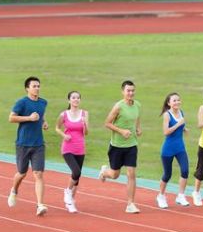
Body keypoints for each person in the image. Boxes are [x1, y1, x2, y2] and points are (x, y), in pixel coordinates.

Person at [7, 76, 49, 216]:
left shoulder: (43, 102)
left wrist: (43, 122)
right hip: (23, 144)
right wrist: (29, 118)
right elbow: (11, 118)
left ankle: (40, 205)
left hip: (38, 144)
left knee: (38, 174)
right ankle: (14, 190)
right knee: (22, 173)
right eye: (34, 86)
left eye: (38, 86)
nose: (37, 88)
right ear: (27, 88)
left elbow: (41, 115)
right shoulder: (22, 103)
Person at [99, 80, 142, 214]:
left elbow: (137, 119)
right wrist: (121, 131)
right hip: (117, 146)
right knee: (115, 174)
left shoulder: (137, 105)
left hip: (132, 145)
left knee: (131, 173)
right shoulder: (118, 107)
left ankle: (130, 204)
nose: (131, 93)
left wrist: (138, 128)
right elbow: (107, 123)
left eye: (132, 90)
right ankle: (104, 172)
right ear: (123, 92)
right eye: (128, 91)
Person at [55, 90, 89, 213]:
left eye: (78, 98)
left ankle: (71, 202)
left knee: (77, 177)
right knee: (76, 171)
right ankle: (68, 192)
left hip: (80, 148)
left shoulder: (84, 114)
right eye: (73, 97)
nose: (76, 100)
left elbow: (86, 133)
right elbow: (57, 128)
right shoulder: (64, 114)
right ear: (69, 100)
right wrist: (64, 136)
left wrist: (85, 124)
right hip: (68, 148)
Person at [157, 92, 190, 208]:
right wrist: (178, 124)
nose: (177, 102)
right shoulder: (167, 115)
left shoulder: (181, 112)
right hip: (168, 149)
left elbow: (180, 125)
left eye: (178, 100)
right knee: (167, 174)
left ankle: (181, 195)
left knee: (185, 170)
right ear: (169, 103)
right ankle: (161, 196)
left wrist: (184, 128)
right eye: (174, 100)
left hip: (180, 148)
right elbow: (166, 132)